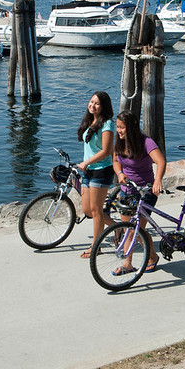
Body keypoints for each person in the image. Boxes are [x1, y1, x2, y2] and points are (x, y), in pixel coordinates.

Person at [111, 110, 166, 274]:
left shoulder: (146, 142)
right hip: (127, 190)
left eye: (122, 128)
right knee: (129, 228)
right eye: (118, 127)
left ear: (132, 128)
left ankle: (150, 257)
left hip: (145, 191)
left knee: (136, 229)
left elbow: (161, 161)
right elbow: (115, 161)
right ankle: (130, 263)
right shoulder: (119, 142)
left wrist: (157, 180)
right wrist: (120, 173)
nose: (119, 131)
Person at [76, 91, 115, 257]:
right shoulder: (90, 121)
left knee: (96, 210)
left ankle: (95, 247)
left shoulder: (107, 124)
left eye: (97, 103)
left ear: (104, 106)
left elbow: (107, 151)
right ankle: (116, 228)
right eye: (91, 102)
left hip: (101, 171)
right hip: (88, 171)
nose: (92, 105)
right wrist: (85, 163)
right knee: (87, 210)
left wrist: (87, 162)